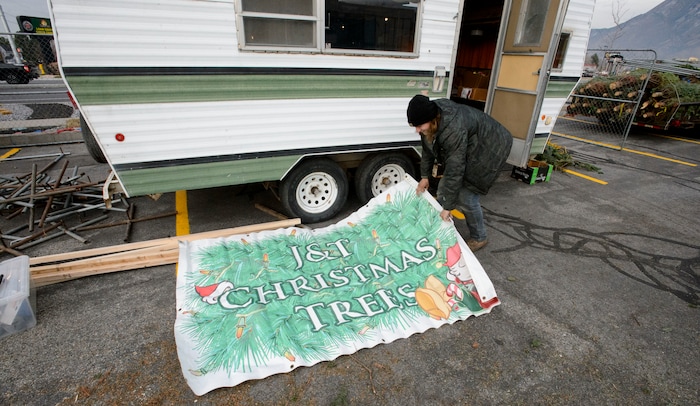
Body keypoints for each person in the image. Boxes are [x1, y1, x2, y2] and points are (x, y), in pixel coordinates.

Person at [407, 94, 513, 252]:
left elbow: (454, 169)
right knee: (448, 188)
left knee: (467, 196)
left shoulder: (452, 129)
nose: (417, 130)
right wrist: (424, 177)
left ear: (432, 120)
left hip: (490, 147)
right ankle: (445, 219)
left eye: (419, 126)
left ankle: (480, 237)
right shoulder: (431, 117)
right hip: (472, 142)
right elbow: (428, 151)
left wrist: (448, 206)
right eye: (414, 126)